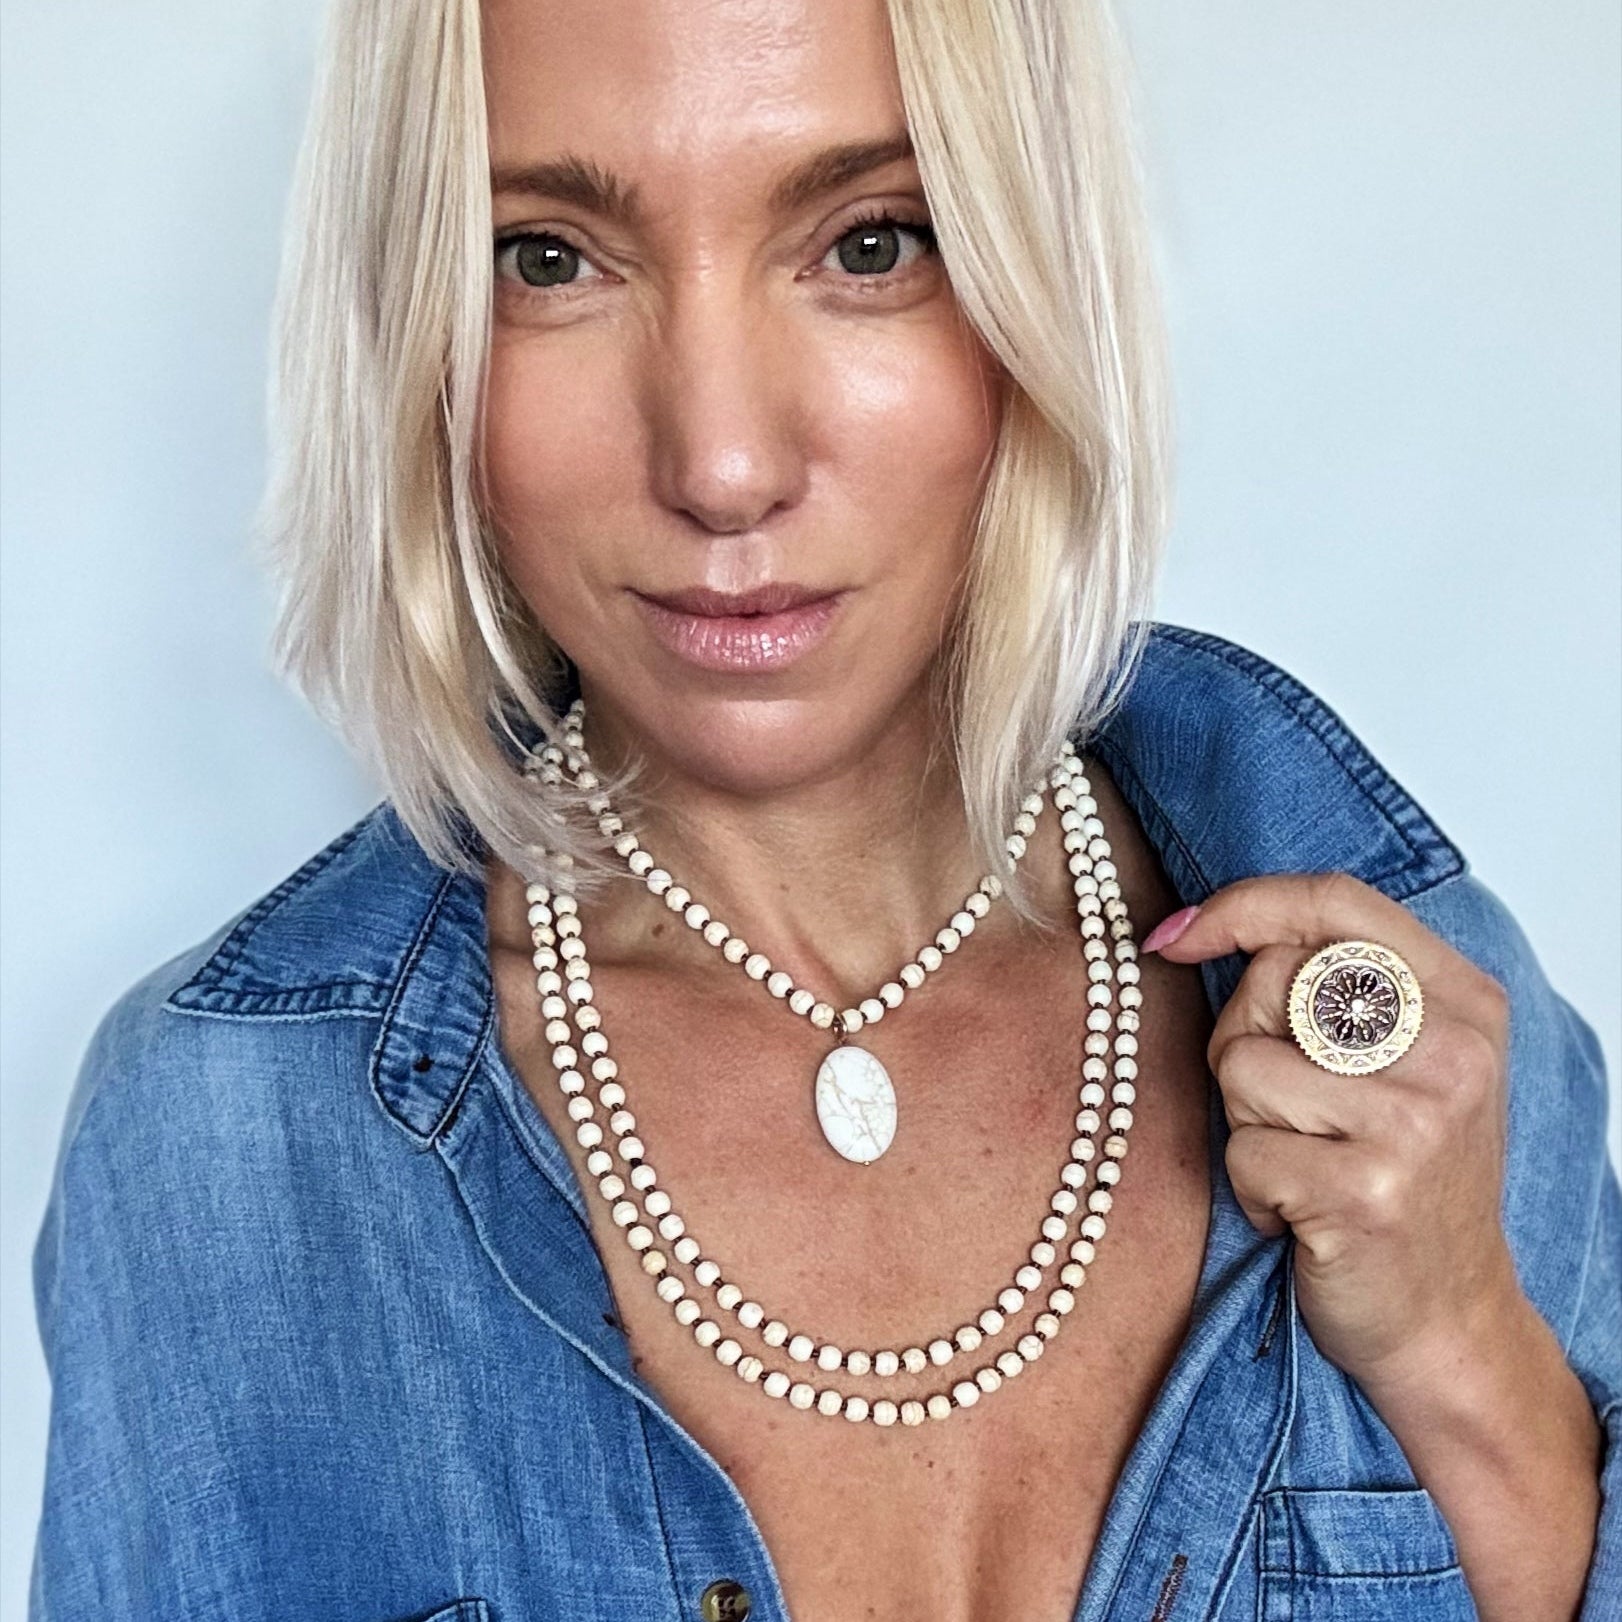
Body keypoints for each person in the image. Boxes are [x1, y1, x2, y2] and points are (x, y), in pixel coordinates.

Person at [27, 0, 1617, 1618]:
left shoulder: (1416, 1039)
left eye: (869, 242)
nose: (720, 459)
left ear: (1031, 272)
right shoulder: (234, 1147)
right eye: (547, 259)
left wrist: (1458, 1350)